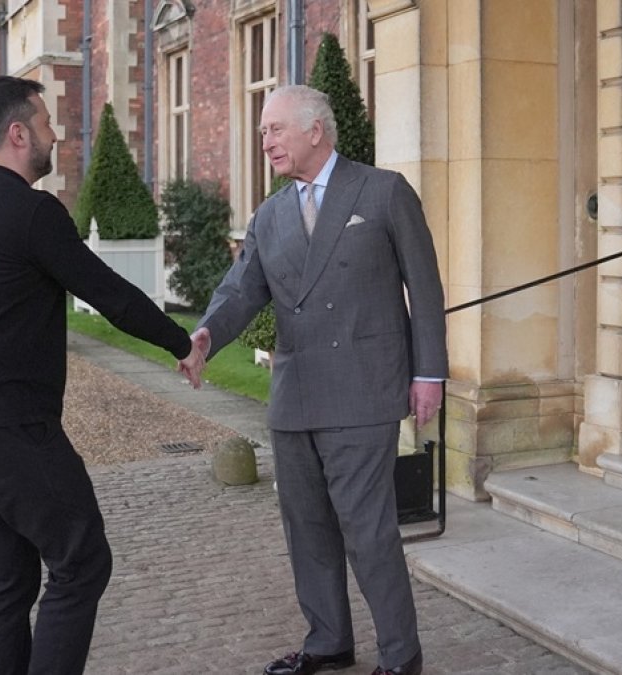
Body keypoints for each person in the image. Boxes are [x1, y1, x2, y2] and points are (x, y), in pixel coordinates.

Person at [0, 75, 204, 675]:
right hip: (11, 424)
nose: (58, 136)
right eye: (48, 123)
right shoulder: (32, 211)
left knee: (7, 573)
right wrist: (181, 341)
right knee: (82, 561)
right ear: (19, 133)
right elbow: (107, 292)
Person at [179, 84, 447, 675]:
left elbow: (424, 290)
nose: (265, 139)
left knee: (367, 530)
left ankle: (401, 657)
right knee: (307, 528)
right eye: (264, 131)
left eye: (274, 129)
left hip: (364, 389)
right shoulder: (270, 214)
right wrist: (202, 338)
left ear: (315, 130)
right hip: (295, 394)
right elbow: (241, 290)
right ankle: (329, 640)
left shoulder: (382, 192)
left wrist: (430, 373)